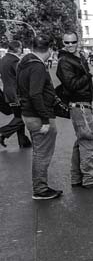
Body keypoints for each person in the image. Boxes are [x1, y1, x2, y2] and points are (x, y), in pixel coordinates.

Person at [56, 31, 93, 188]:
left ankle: (77, 177)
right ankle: (90, 178)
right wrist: (90, 74)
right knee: (87, 142)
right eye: (67, 43)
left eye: (73, 42)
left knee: (81, 141)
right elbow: (72, 85)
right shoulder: (64, 61)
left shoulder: (76, 57)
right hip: (79, 105)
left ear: (77, 41)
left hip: (82, 105)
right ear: (63, 43)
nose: (70, 45)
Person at [16, 35, 62, 200]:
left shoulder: (23, 63)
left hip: (29, 113)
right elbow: (35, 94)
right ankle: (40, 189)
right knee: (42, 154)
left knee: (39, 152)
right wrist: (45, 120)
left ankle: (40, 187)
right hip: (37, 116)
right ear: (49, 49)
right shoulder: (37, 67)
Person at [0, 39, 31, 149]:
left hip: (8, 93)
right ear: (17, 48)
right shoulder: (14, 61)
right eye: (21, 47)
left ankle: (23, 141)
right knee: (24, 117)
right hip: (17, 94)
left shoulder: (3, 59)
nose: (21, 49)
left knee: (18, 116)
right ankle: (2, 132)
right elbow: (21, 77)